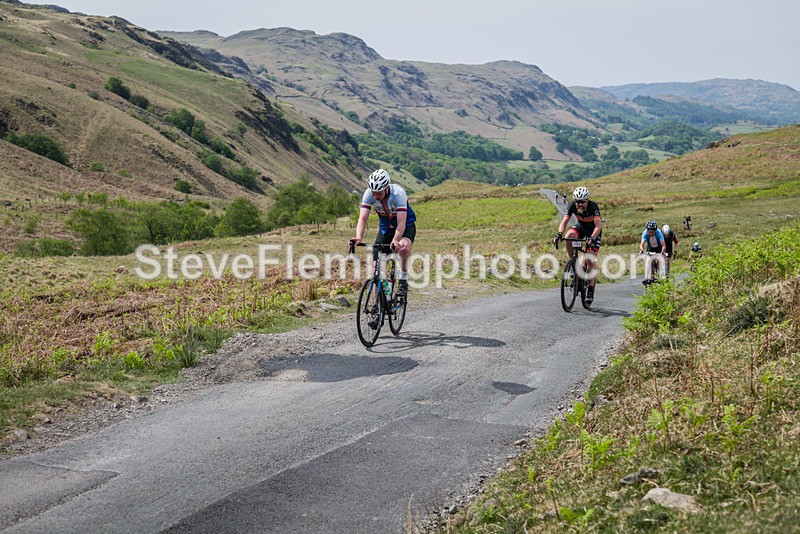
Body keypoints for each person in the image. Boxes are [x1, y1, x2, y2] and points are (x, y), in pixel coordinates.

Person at [351, 169, 416, 299]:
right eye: (374, 193)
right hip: (385, 229)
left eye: (379, 193)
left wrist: (396, 239)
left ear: (386, 188)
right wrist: (358, 237)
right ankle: (378, 305)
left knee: (403, 247)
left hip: (405, 226)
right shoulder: (369, 194)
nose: (375, 196)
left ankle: (403, 280)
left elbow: (401, 223)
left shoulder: (398, 193)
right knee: (377, 269)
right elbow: (363, 218)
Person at [553, 186, 602, 304]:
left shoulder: (593, 206)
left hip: (594, 232)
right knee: (569, 235)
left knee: (590, 259)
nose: (579, 204)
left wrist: (592, 238)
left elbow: (598, 226)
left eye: (582, 202)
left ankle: (590, 289)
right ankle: (574, 262)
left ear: (587, 200)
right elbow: (564, 222)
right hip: (582, 228)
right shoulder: (572, 206)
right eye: (577, 202)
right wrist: (559, 234)